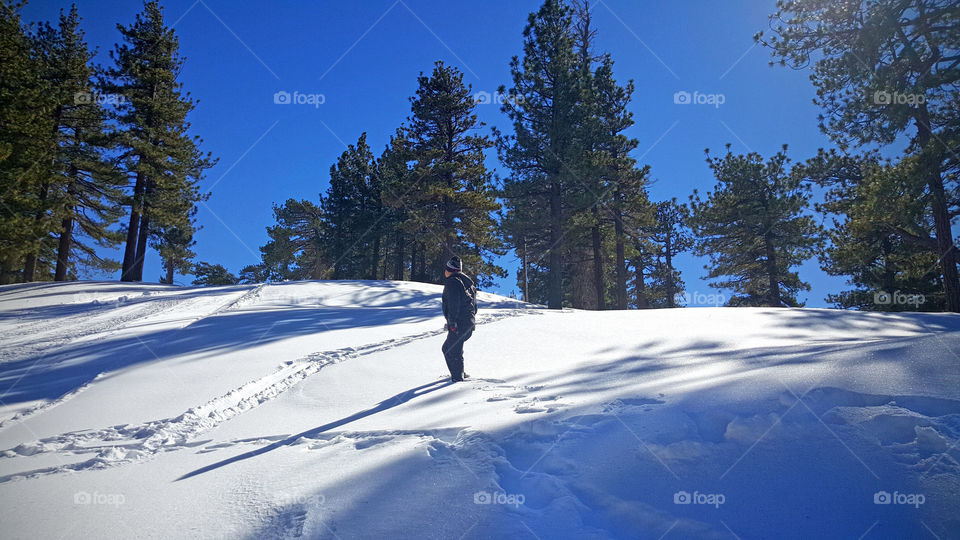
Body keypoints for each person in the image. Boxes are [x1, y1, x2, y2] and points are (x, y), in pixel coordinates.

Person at [441, 256, 477, 382]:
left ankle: (457, 379)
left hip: (459, 324)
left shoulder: (453, 282)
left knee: (451, 350)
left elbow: (453, 304)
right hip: (468, 324)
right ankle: (459, 373)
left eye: (446, 269)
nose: (444, 272)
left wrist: (452, 322)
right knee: (450, 348)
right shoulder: (468, 283)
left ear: (449, 270)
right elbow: (474, 306)